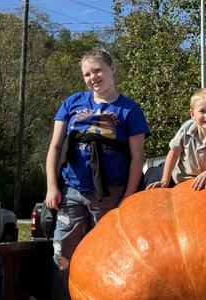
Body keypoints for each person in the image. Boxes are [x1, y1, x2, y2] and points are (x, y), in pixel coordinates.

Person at [45, 48, 150, 299]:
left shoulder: (129, 110)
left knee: (107, 255)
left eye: (98, 70)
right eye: (87, 74)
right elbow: (55, 147)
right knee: (62, 255)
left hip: (109, 195)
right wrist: (52, 186)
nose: (93, 77)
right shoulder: (72, 103)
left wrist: (127, 198)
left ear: (112, 69)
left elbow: (137, 158)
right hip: (71, 191)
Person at [146, 88, 206, 191]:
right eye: (202, 111)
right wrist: (165, 180)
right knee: (152, 174)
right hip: (180, 182)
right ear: (192, 115)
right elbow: (174, 153)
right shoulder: (187, 128)